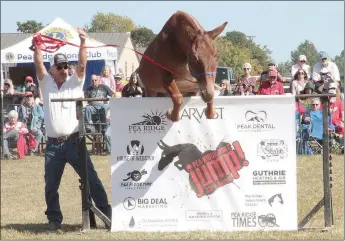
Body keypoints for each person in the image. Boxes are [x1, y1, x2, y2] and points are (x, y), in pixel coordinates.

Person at [32, 27, 111, 231]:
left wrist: (83, 41)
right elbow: (38, 63)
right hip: (52, 145)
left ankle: (108, 215)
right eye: (60, 67)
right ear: (52, 69)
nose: (64, 70)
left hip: (74, 142)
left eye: (66, 66)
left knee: (92, 180)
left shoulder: (75, 83)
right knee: (51, 186)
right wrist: (37, 47)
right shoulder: (45, 83)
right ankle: (54, 221)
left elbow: (82, 64)